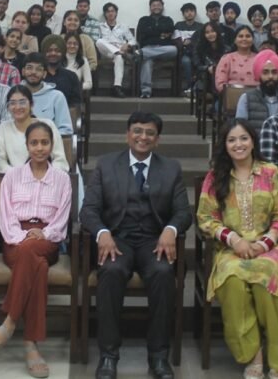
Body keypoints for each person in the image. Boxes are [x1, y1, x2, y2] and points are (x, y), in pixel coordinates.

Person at [80, 112, 192, 379]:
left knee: (163, 273)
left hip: (154, 240)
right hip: (117, 239)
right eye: (138, 131)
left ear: (157, 139)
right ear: (127, 135)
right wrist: (102, 233)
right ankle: (108, 356)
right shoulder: (106, 165)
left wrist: (170, 230)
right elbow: (88, 210)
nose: (143, 137)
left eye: (150, 133)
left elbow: (183, 212)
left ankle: (158, 356)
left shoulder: (171, 168)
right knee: (111, 271)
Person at [196, 120, 278, 379]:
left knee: (268, 281)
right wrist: (234, 239)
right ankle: (253, 354)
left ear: (253, 141)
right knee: (232, 281)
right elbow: (205, 218)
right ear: (225, 145)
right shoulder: (216, 177)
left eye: (244, 138)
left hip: (270, 247)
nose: (239, 144)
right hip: (231, 249)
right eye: (232, 140)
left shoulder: (271, 172)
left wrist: (263, 244)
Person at [0, 121, 72, 378]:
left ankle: (8, 324)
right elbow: (6, 217)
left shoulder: (62, 179)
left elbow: (61, 220)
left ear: (52, 145)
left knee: (35, 254)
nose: (39, 148)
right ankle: (30, 345)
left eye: (44, 143)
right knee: (37, 265)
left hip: (48, 239)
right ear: (26, 146)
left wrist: (45, 233)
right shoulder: (12, 176)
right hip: (15, 238)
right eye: (34, 143)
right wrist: (23, 236)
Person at [0, 85, 67, 171]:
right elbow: (0, 161)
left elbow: (60, 160)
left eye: (22, 102)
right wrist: (17, 175)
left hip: (47, 175)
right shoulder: (3, 128)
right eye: (12, 103)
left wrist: (47, 174)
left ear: (31, 104)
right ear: (8, 107)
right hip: (15, 177)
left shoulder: (47, 125)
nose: (17, 107)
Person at [21, 53, 73, 137]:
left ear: (44, 74)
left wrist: (44, 137)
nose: (33, 72)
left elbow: (66, 130)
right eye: (29, 68)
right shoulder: (13, 95)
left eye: (38, 69)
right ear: (23, 71)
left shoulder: (57, 96)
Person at [234, 50, 278, 132]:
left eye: (274, 72)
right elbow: (240, 130)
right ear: (259, 75)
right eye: (265, 72)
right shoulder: (246, 98)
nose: (270, 76)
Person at [135, 0, 177, 99]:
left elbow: (170, 30)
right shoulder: (143, 20)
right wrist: (160, 34)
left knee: (174, 50)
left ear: (162, 7)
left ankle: (141, 53)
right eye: (154, 5)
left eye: (158, 5)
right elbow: (140, 36)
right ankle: (146, 92)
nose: (156, 7)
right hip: (148, 48)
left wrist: (150, 32)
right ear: (150, 7)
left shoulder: (168, 20)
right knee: (146, 61)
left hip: (165, 50)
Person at [95, 2, 136, 98]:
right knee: (99, 41)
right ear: (105, 14)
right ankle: (118, 52)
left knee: (119, 57)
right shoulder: (100, 26)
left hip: (119, 51)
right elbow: (96, 39)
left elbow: (133, 40)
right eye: (108, 11)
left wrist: (128, 44)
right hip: (105, 52)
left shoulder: (123, 26)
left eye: (112, 11)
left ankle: (117, 87)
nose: (110, 13)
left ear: (116, 13)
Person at [41, 35, 83, 107]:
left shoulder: (71, 77)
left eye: (57, 51)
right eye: (49, 50)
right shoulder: (37, 76)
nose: (53, 53)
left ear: (63, 53)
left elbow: (76, 104)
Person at [214, 26, 258, 94]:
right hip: (232, 96)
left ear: (253, 40)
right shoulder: (227, 58)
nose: (244, 39)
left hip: (257, 97)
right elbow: (220, 84)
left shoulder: (259, 58)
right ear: (235, 40)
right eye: (240, 36)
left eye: (248, 36)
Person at [174, 2, 204, 95]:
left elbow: (201, 41)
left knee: (200, 63)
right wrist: (183, 44)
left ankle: (198, 87)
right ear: (183, 14)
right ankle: (190, 86)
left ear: (195, 13)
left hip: (197, 53)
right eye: (186, 11)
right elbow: (176, 40)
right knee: (186, 61)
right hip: (184, 53)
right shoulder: (178, 25)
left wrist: (190, 41)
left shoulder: (200, 26)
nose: (189, 13)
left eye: (191, 11)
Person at [192, 22, 229, 93]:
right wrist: (207, 68)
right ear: (204, 35)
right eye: (207, 32)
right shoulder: (199, 48)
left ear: (217, 32)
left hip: (222, 75)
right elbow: (197, 65)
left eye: (213, 31)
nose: (210, 34)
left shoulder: (226, 49)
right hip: (205, 76)